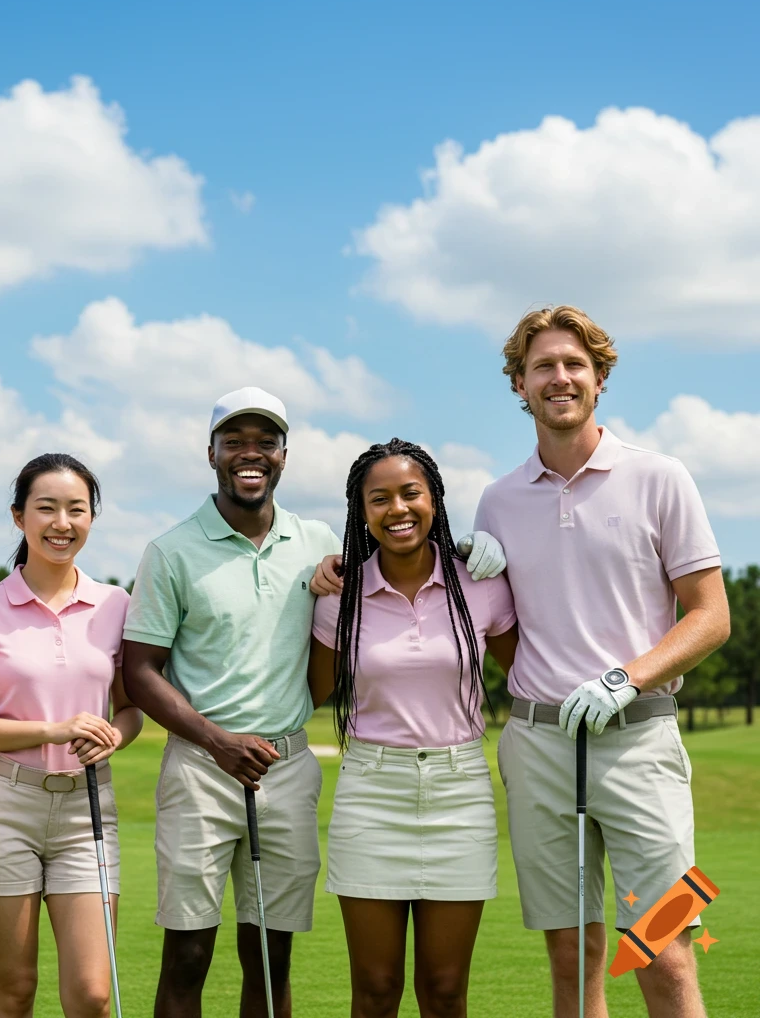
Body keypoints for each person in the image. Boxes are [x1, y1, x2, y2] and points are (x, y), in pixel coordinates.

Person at [123, 387, 507, 1018]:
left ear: (283, 455)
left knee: (272, 959)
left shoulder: (321, 542)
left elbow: (395, 555)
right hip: (202, 766)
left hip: (287, 768)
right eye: (235, 442)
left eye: (265, 442)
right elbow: (139, 671)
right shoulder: (171, 550)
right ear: (211, 452)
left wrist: (472, 549)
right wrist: (218, 741)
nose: (251, 454)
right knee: (188, 955)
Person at [475, 306, 729, 1018]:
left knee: (665, 948)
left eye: (574, 365)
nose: (559, 378)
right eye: (542, 367)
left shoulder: (660, 477)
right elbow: (505, 637)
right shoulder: (497, 501)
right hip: (540, 746)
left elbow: (711, 617)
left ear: (600, 379)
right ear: (518, 385)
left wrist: (628, 676)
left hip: (641, 742)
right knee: (571, 954)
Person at [308, 438, 518, 1018]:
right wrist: (308, 581)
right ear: (361, 512)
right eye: (379, 499)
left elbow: (530, 670)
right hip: (371, 792)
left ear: (435, 500)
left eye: (411, 494)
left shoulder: (478, 583)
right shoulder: (340, 595)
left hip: (459, 791)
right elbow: (310, 692)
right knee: (375, 990)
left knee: (446, 988)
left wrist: (513, 555)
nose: (397, 509)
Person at [0, 453, 142, 1018]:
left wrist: (115, 735)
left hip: (88, 809)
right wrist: (54, 729)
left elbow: (130, 711)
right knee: (13, 992)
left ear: (91, 518)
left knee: (91, 994)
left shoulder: (116, 604)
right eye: (47, 508)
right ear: (19, 518)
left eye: (77, 509)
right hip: (5, 807)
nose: (63, 522)